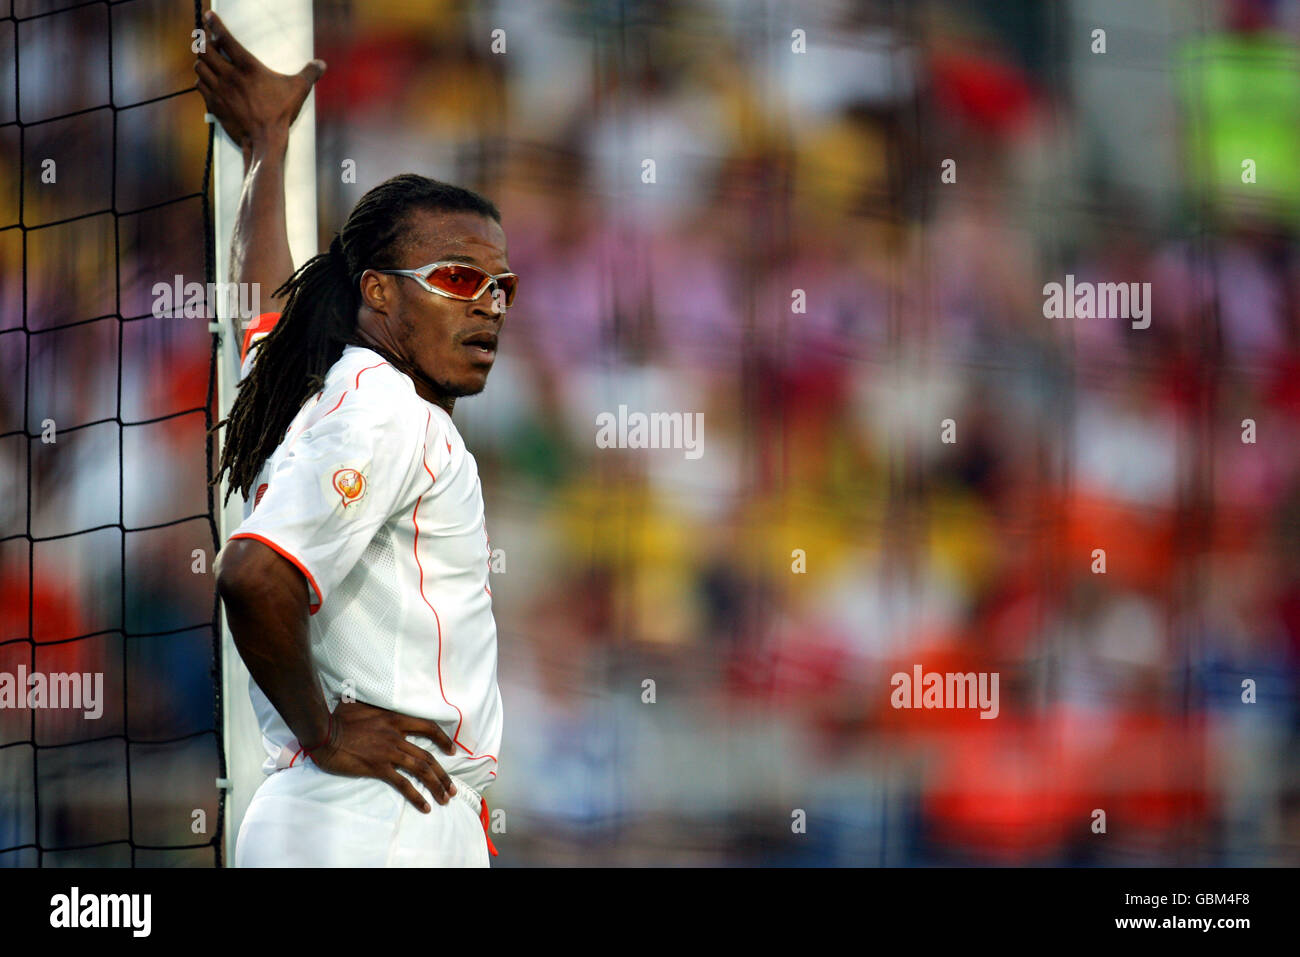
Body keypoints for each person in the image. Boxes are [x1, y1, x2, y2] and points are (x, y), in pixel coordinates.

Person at [197, 10, 514, 866]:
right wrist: (327, 730)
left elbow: (262, 311)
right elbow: (252, 573)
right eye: (457, 278)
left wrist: (267, 143)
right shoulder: (388, 410)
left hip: (352, 813)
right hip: (378, 812)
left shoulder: (316, 386)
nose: (488, 303)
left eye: (501, 286)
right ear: (378, 292)